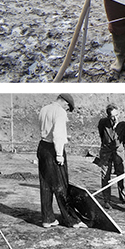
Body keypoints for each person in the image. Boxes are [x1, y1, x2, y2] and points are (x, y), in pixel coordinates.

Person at [37, 94, 86, 229]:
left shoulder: (44, 109)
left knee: (45, 184)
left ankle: (47, 219)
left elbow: (46, 129)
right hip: (54, 150)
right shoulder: (60, 112)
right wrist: (59, 154)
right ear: (64, 102)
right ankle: (71, 220)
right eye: (67, 106)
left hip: (42, 147)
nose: (67, 108)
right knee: (61, 185)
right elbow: (57, 134)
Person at [96, 104, 125, 207]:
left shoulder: (124, 125)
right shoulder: (102, 122)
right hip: (106, 151)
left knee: (122, 173)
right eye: (112, 116)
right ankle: (107, 200)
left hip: (119, 151)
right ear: (108, 115)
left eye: (117, 115)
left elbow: (124, 138)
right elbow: (102, 135)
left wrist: (118, 146)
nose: (115, 118)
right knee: (105, 175)